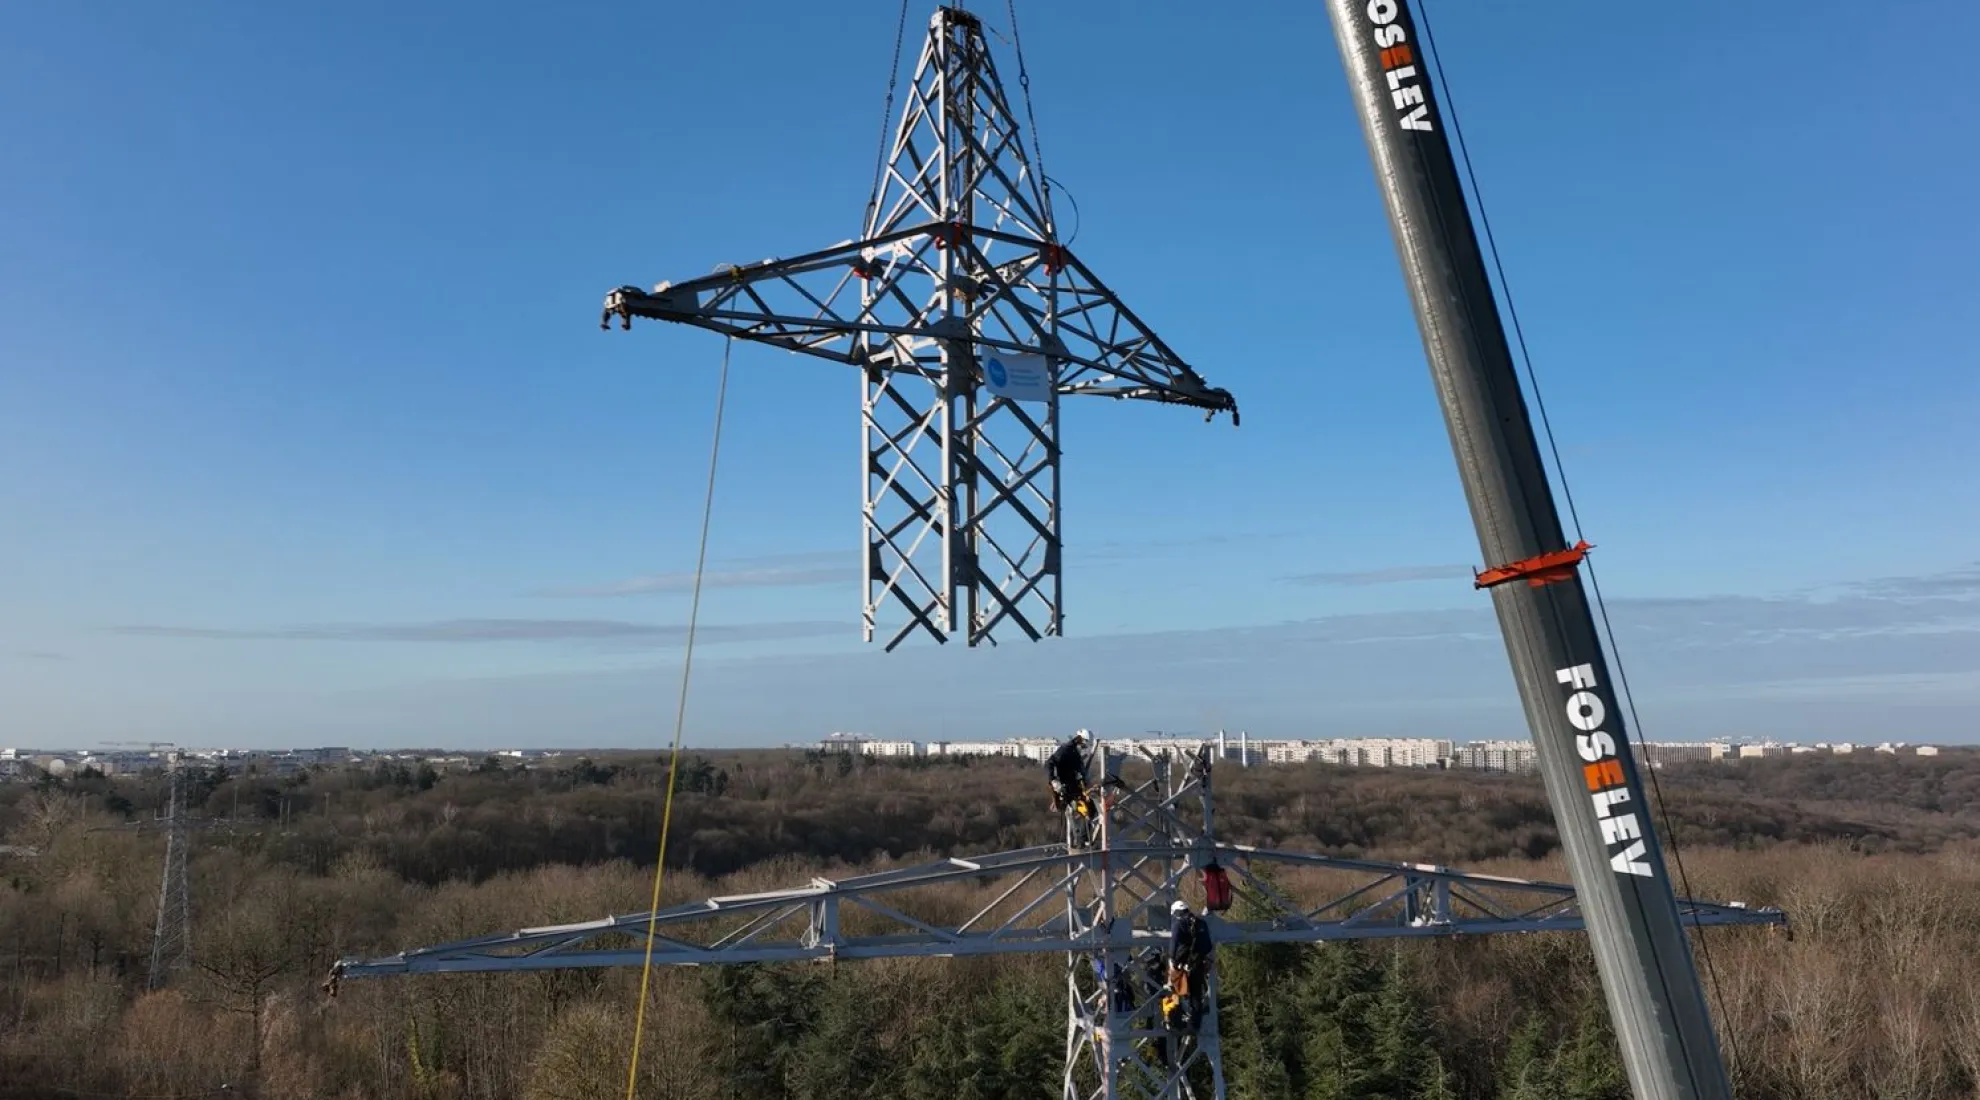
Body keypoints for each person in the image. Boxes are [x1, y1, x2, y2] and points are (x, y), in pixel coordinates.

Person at [1168, 899, 1214, 1021]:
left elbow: (1174, 943)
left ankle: (1179, 1017)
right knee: (1196, 994)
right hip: (1198, 964)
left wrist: (1172, 961)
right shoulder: (1201, 923)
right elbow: (1208, 945)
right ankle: (1196, 1022)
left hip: (1181, 965)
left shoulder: (1178, 924)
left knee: (1176, 990)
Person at [1046, 729, 1091, 811]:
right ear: (1079, 740)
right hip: (1064, 787)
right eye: (1083, 746)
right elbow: (1050, 763)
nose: (1084, 749)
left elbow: (1081, 770)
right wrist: (1053, 780)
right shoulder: (1066, 750)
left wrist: (1085, 780)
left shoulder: (1076, 754)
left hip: (1074, 788)